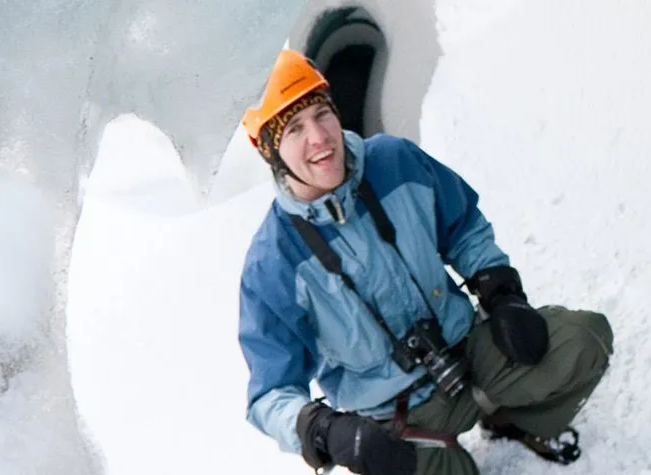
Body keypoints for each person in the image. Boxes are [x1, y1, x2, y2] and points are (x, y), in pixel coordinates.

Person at [235, 49, 615, 475]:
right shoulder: (273, 264)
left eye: (322, 114)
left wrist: (501, 292)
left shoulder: (394, 161)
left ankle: (509, 420)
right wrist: (323, 430)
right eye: (293, 129)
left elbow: (464, 227)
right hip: (396, 415)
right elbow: (269, 394)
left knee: (584, 340)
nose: (320, 138)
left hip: (469, 354)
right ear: (269, 150)